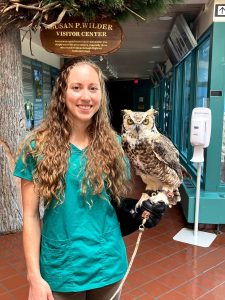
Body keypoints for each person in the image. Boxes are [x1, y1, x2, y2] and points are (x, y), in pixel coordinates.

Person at [14, 57, 166, 300]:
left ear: (101, 96)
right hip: (61, 266)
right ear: (62, 93)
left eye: (93, 88)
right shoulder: (36, 147)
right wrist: (34, 277)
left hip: (107, 262)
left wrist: (145, 208)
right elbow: (31, 216)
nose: (86, 96)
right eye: (76, 87)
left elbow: (121, 200)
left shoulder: (115, 145)